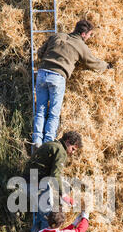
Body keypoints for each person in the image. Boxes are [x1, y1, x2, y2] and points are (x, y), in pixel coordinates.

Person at [32, 19, 113, 148]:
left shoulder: (57, 36)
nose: (89, 38)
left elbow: (41, 52)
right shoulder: (81, 46)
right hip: (57, 77)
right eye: (90, 35)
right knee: (53, 113)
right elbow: (93, 62)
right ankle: (47, 143)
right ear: (83, 34)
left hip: (42, 74)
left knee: (40, 111)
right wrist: (107, 66)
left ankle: (36, 140)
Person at [23, 131, 82, 232]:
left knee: (43, 211)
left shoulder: (51, 144)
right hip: (35, 183)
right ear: (67, 142)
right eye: (73, 149)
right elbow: (55, 175)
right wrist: (63, 194)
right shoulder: (61, 151)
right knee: (49, 216)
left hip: (27, 181)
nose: (72, 152)